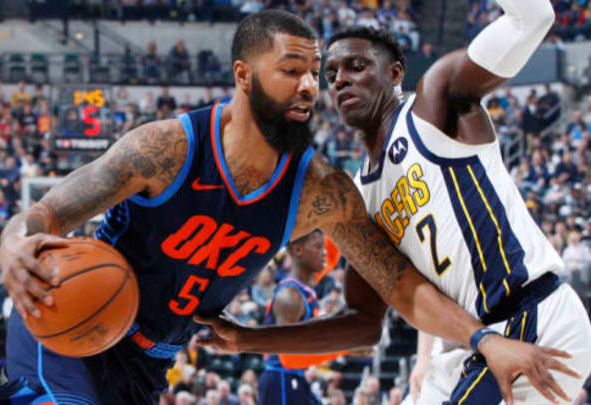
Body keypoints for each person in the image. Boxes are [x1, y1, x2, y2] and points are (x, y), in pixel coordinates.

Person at [0, 10, 574, 405]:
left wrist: (481, 340)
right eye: (293, 70)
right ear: (243, 76)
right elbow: (46, 215)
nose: (312, 86)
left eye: (314, 73)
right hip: (68, 323)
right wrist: (14, 244)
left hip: (148, 364)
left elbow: (400, 290)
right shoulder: (164, 147)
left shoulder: (322, 191)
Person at [200, 3, 591, 405]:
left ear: (395, 73)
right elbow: (364, 323)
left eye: (356, 66)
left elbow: (533, 19)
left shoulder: (434, 104)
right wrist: (247, 339)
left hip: (532, 316)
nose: (340, 81)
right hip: (471, 343)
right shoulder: (359, 194)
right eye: (331, 75)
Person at [257, 230, 375, 405]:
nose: (324, 252)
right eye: (318, 247)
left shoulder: (305, 284)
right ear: (298, 251)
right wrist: (346, 349)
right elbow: (289, 359)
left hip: (294, 378)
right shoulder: (290, 297)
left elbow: (333, 257)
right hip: (281, 380)